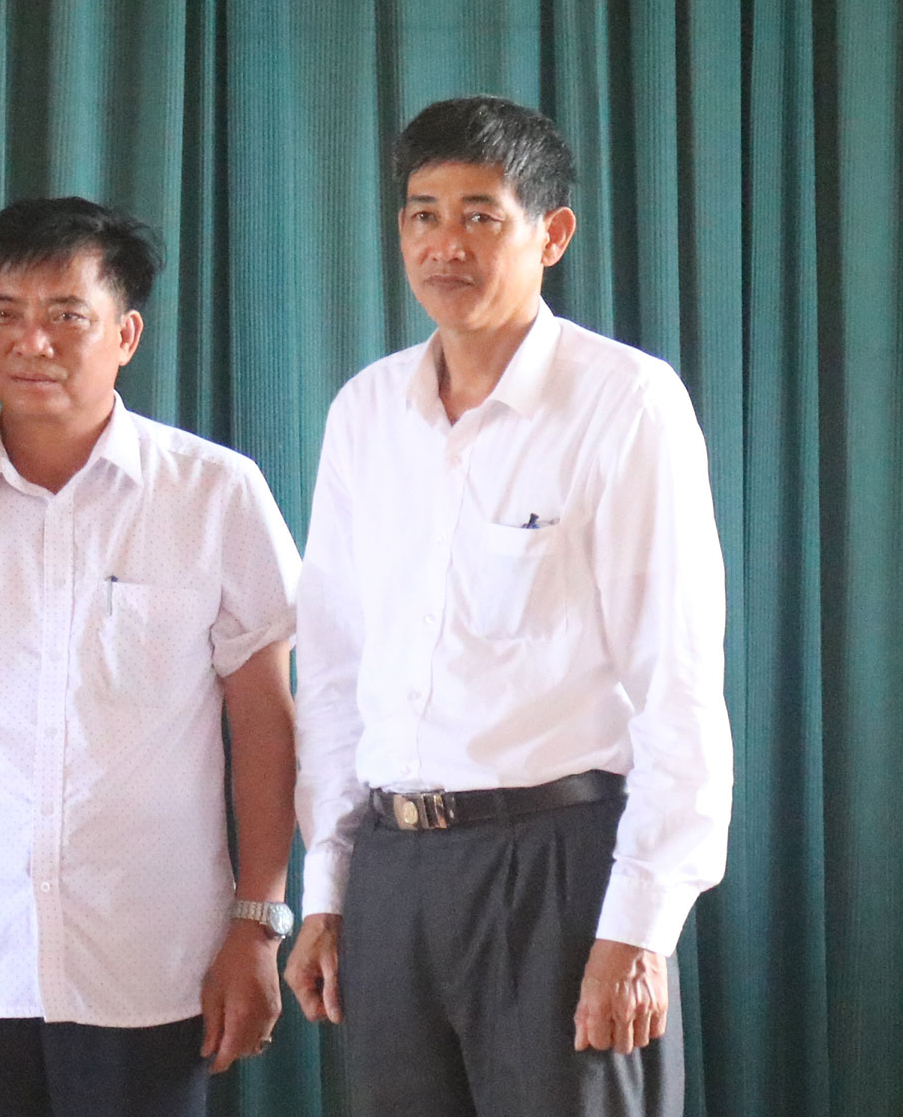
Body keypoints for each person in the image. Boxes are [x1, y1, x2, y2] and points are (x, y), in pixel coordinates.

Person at [284, 96, 732, 1117]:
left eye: (480, 216)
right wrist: (330, 890)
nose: (445, 244)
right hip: (392, 869)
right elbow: (336, 674)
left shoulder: (626, 403)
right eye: (423, 214)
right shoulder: (365, 412)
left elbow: (677, 680)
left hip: (559, 868)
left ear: (551, 234)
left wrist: (640, 926)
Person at [0, 198, 301, 1117]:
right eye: (3, 314)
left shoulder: (216, 494)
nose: (31, 342)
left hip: (155, 960)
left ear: (125, 334)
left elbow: (264, 720)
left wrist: (258, 924)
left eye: (66, 315)